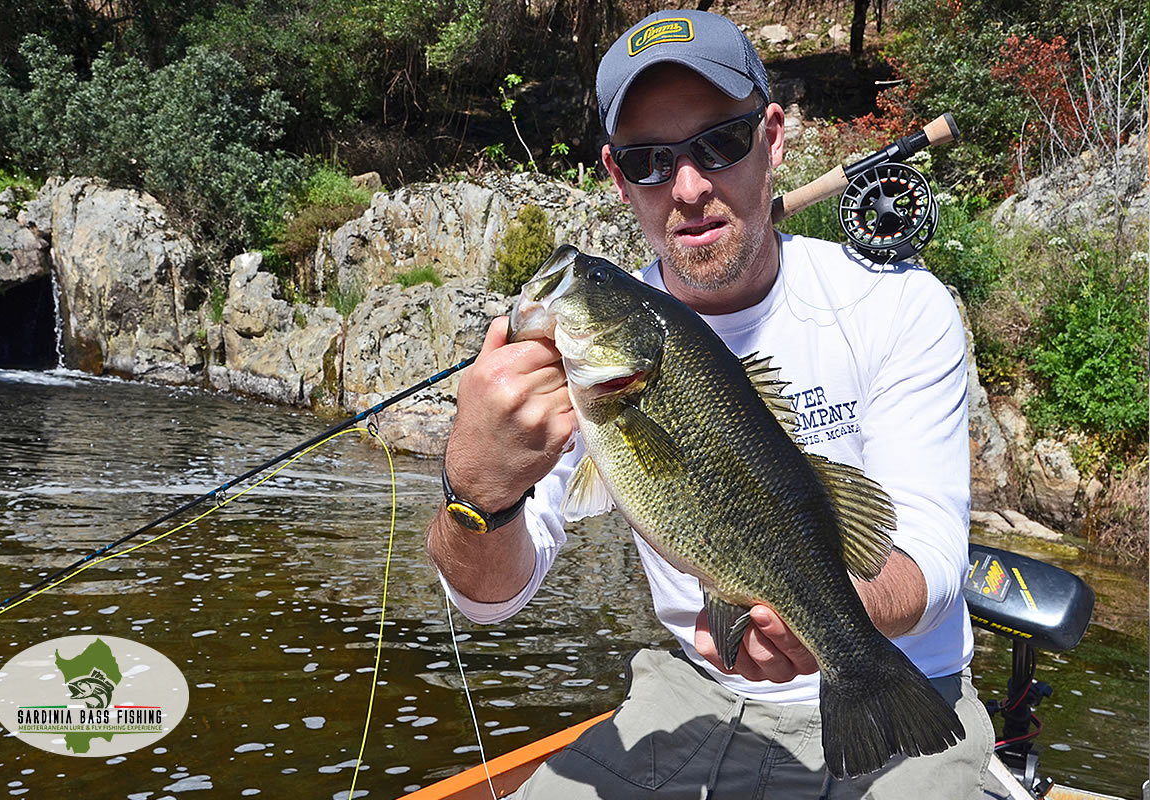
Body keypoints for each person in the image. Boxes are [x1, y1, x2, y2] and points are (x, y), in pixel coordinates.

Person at [425, 8, 994, 798]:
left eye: (720, 145)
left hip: (904, 687)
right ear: (618, 178)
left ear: (772, 137)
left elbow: (930, 557)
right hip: (693, 693)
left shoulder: (897, 306)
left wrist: (829, 620)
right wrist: (477, 490)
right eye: (650, 161)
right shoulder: (578, 368)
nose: (688, 188)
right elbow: (490, 602)